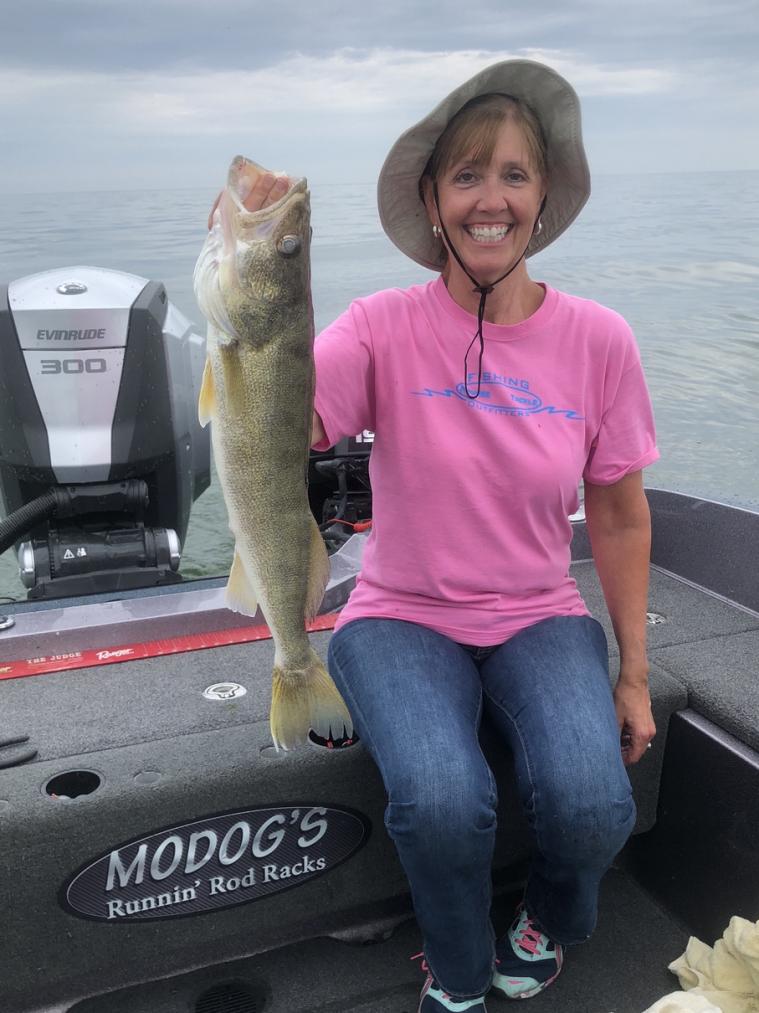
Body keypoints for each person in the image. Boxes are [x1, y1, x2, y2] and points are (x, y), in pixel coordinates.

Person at [211, 59, 659, 1013]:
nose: (488, 199)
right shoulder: (378, 325)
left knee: (591, 805)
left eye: (511, 174)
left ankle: (545, 921)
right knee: (444, 803)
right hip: (398, 616)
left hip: (540, 612)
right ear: (431, 199)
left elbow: (618, 510)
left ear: (543, 195)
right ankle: (456, 966)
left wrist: (628, 671)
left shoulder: (600, 341)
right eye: (464, 175)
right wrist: (243, 297)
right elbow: (285, 418)